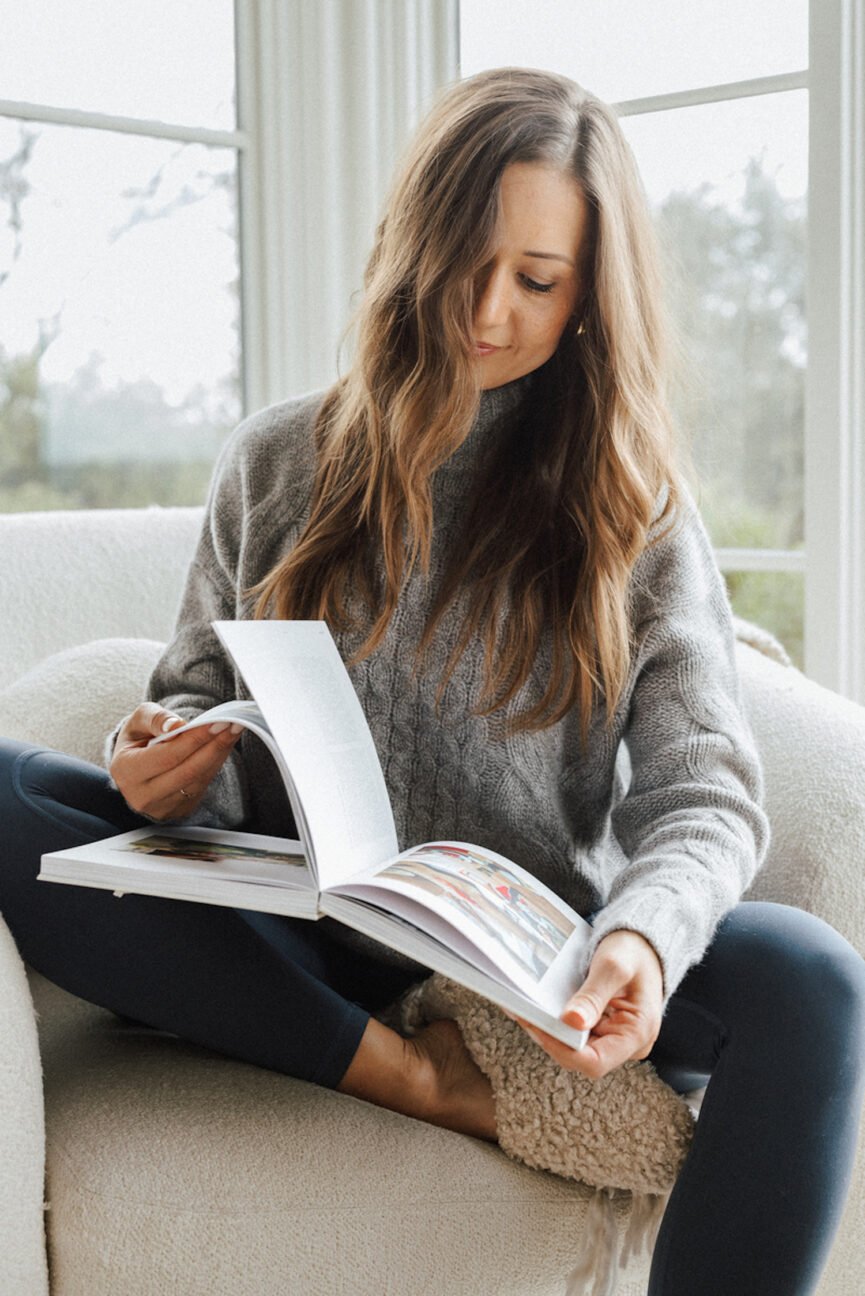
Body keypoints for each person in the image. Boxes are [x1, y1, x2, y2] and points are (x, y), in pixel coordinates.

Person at [1, 67, 863, 1294]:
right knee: (8, 796)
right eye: (467, 260)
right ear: (415, 241)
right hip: (301, 944)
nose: (489, 310)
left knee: (811, 978)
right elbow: (191, 697)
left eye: (538, 280)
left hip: (530, 967)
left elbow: (705, 791)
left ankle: (469, 1054)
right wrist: (161, 769)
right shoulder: (278, 462)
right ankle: (406, 1077)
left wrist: (645, 943)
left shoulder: (634, 509)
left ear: (588, 301)